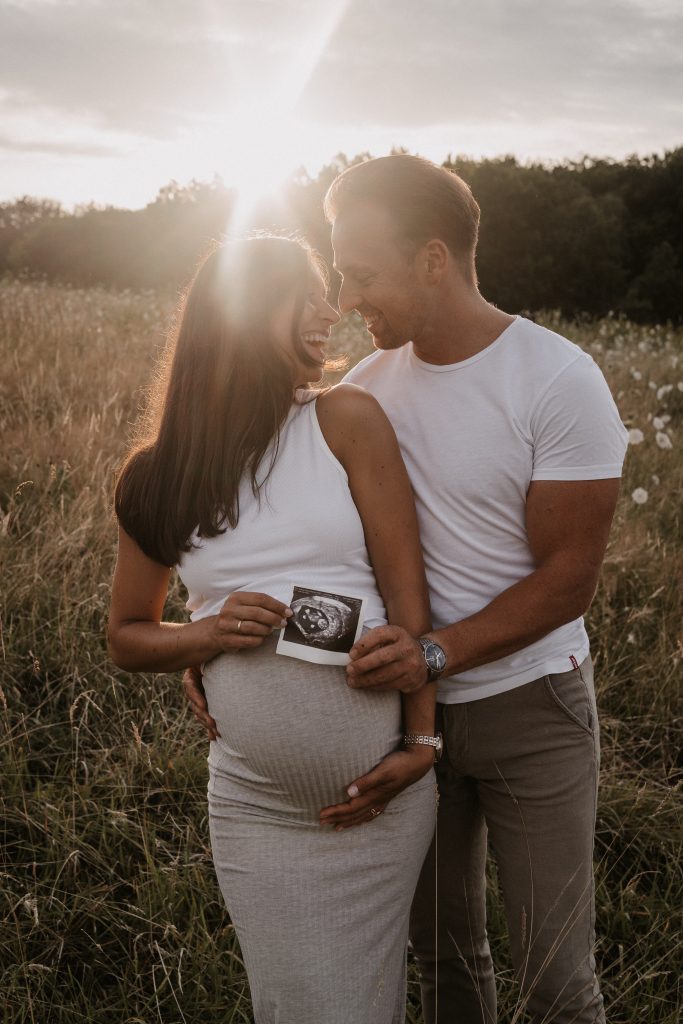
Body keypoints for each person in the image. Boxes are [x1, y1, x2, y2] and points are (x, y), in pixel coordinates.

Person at [183, 157, 629, 1024]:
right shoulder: (358, 392)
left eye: (362, 274)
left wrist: (435, 651)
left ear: (434, 259)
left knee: (554, 977)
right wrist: (209, 646)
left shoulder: (556, 379)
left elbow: (568, 578)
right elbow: (288, 537)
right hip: (395, 717)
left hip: (528, 705)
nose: (345, 300)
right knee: (444, 961)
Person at [107, 234, 440, 1024]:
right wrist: (206, 633)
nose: (334, 310)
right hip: (254, 806)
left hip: (378, 801)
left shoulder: (343, 419)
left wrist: (422, 745)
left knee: (365, 1005)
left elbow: (409, 600)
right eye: (308, 292)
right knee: (291, 1007)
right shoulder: (158, 474)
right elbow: (126, 634)